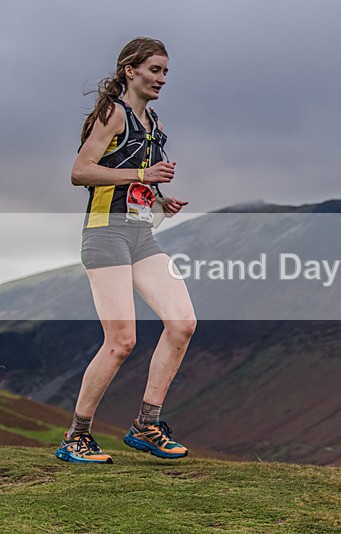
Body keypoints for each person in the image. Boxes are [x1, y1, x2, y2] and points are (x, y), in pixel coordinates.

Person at [55, 37, 196, 463]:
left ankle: (146, 425)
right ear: (129, 70)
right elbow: (81, 172)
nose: (162, 79)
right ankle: (76, 437)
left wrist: (158, 197)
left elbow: (133, 178)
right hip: (105, 233)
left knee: (183, 323)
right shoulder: (112, 112)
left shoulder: (152, 122)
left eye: (166, 72)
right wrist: (144, 172)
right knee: (121, 341)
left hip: (141, 235)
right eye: (155, 70)